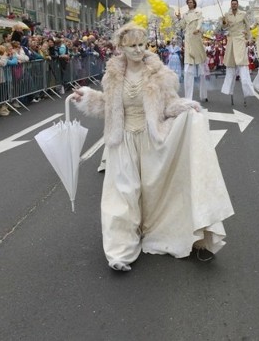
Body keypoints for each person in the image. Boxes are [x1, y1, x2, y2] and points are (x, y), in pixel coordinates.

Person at [72, 23, 233, 271]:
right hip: (122, 140)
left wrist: (184, 107)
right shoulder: (112, 76)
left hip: (151, 139)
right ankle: (120, 252)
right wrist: (87, 97)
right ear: (121, 48)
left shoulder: (161, 75)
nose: (138, 50)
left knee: (151, 191)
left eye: (141, 45)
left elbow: (168, 106)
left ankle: (154, 231)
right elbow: (108, 106)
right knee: (122, 194)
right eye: (132, 45)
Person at [221, 0, 254, 104]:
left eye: (235, 4)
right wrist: (223, 22)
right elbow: (224, 27)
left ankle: (247, 92)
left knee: (242, 65)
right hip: (231, 41)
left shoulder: (243, 14)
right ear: (231, 5)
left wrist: (249, 39)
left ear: (237, 5)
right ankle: (229, 91)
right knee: (230, 67)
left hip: (240, 40)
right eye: (232, 4)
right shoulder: (227, 14)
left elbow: (248, 27)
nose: (234, 5)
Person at [177, 0, 208, 102]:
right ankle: (188, 98)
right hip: (188, 41)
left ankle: (203, 95)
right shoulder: (185, 15)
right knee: (188, 70)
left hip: (197, 40)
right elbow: (182, 26)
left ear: (194, 3)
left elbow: (200, 22)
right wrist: (179, 18)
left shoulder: (198, 12)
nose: (189, 4)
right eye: (188, 2)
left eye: (191, 2)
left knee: (201, 70)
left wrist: (198, 29)